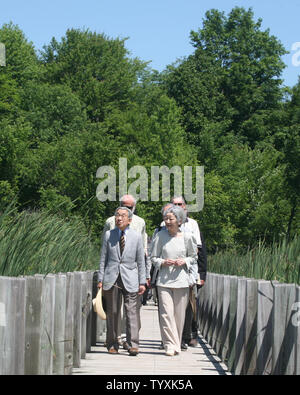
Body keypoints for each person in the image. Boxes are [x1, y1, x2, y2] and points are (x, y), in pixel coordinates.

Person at [102, 194, 150, 349]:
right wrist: (100, 279)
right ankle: (112, 343)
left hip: (131, 276)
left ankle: (132, 344)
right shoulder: (109, 234)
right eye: (117, 215)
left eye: (123, 216)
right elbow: (103, 257)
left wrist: (143, 281)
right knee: (113, 312)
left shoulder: (136, 236)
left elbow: (141, 260)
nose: (119, 218)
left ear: (130, 219)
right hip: (112, 277)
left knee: (131, 312)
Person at [151, 205, 197, 356]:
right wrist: (163, 262)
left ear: (179, 220)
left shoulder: (188, 237)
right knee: (166, 313)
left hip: (181, 280)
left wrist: (184, 261)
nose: (168, 221)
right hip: (163, 280)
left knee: (179, 315)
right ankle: (169, 345)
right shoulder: (160, 236)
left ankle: (176, 343)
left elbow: (194, 256)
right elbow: (153, 257)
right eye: (166, 219)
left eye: (171, 219)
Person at [170, 196, 207, 350]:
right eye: (175, 204)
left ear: (185, 207)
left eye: (180, 204)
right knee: (171, 306)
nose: (178, 206)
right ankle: (173, 337)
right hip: (170, 271)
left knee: (190, 304)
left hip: (189, 270)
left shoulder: (193, 224)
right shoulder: (165, 223)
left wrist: (202, 274)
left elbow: (199, 250)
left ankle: (189, 334)